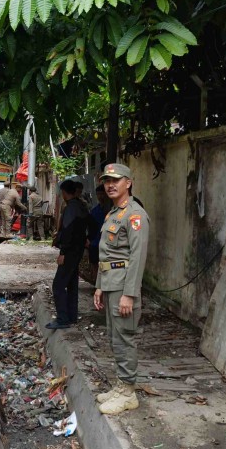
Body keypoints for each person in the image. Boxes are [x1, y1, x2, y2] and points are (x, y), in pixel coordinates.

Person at [93, 163, 150, 415]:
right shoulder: (113, 214)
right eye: (107, 180)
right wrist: (98, 287)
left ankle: (128, 393)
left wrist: (130, 293)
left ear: (128, 182)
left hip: (123, 286)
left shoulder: (134, 215)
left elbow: (137, 258)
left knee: (125, 337)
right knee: (115, 338)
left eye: (116, 180)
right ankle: (120, 385)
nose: (110, 185)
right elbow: (105, 254)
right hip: (110, 283)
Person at [47, 180, 88, 330]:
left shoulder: (71, 208)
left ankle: (63, 318)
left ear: (64, 192)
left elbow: (68, 231)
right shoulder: (81, 206)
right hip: (78, 250)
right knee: (71, 284)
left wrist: (63, 252)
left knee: (58, 285)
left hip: (70, 251)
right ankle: (71, 316)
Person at [88, 184, 111, 283]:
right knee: (94, 263)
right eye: (98, 194)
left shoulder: (111, 210)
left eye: (102, 194)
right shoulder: (94, 211)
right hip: (95, 242)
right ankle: (96, 282)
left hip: (107, 243)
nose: (100, 197)